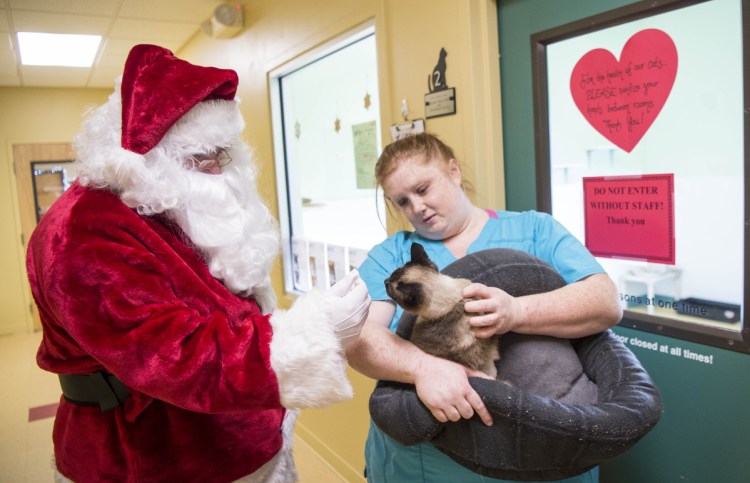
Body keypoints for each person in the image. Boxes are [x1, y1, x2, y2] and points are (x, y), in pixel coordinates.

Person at [26, 44, 370, 483]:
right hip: (152, 459)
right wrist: (310, 333)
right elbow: (171, 354)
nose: (214, 171)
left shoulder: (166, 205)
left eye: (221, 154)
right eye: (197, 157)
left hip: (240, 439)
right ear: (142, 157)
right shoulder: (84, 229)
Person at [346, 132, 622, 482]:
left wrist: (516, 312)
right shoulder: (391, 256)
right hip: (421, 465)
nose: (416, 208)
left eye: (423, 189)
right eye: (402, 201)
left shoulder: (536, 231)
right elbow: (359, 342)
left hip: (540, 454)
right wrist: (423, 368)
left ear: (454, 171)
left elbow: (605, 303)